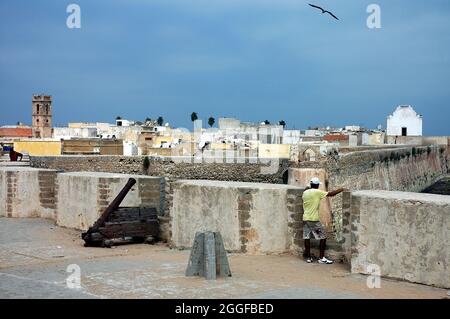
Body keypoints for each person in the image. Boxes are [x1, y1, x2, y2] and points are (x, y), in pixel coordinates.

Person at [302, 177, 344, 264]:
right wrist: (341, 189)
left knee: (307, 237)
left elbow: (307, 188)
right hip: (313, 220)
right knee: (323, 237)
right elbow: (332, 194)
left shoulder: (305, 192)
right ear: (317, 185)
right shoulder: (317, 192)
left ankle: (308, 257)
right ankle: (321, 258)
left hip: (305, 218)